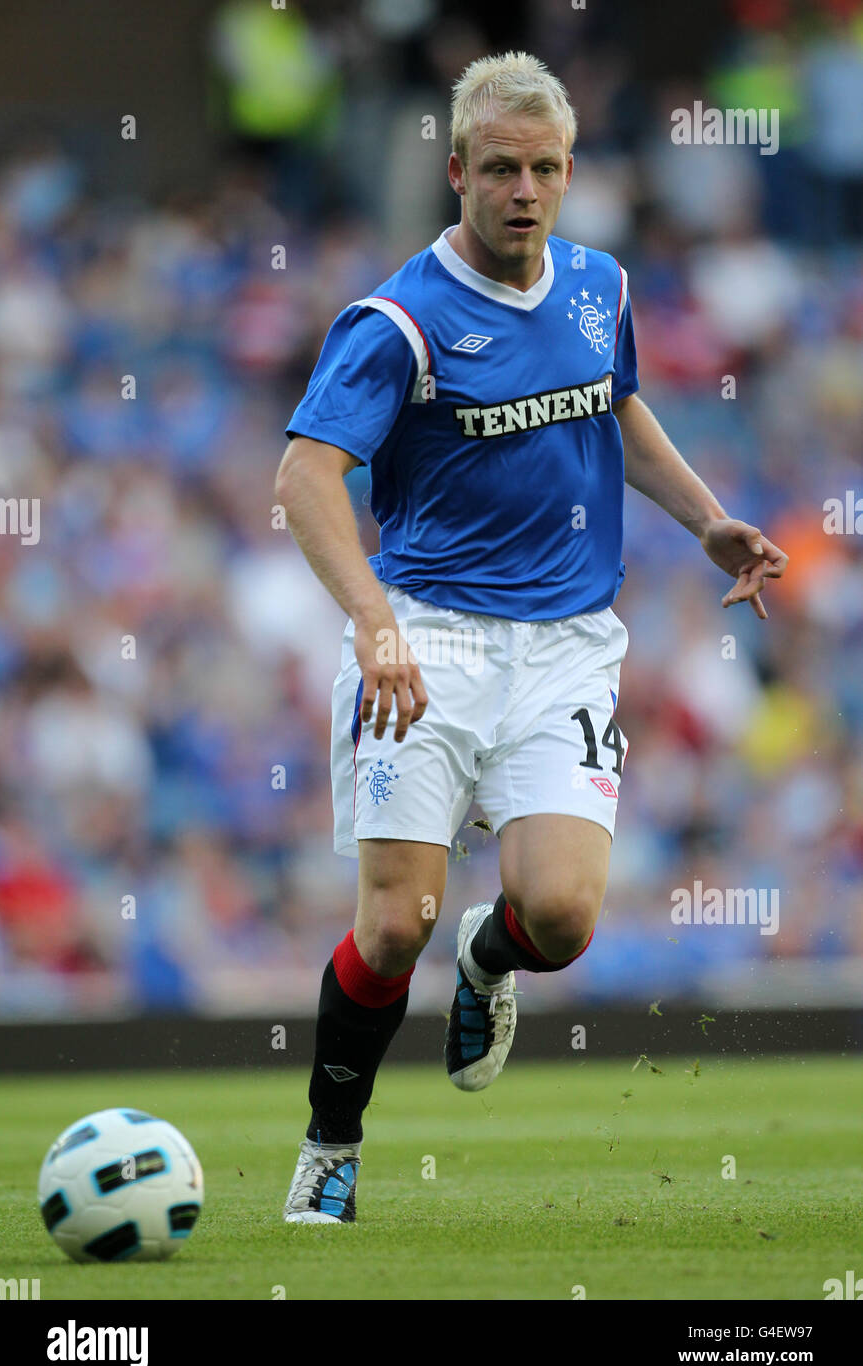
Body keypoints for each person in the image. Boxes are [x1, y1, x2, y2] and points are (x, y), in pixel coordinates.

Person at [274, 51, 788, 1224]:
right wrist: (373, 623)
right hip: (431, 640)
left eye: (543, 169)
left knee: (558, 917)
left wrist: (706, 520)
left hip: (563, 643)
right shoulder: (397, 319)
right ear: (455, 171)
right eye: (497, 167)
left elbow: (614, 404)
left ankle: (488, 962)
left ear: (567, 175)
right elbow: (306, 477)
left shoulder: (597, 287)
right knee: (391, 924)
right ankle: (330, 1146)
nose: (521, 189)